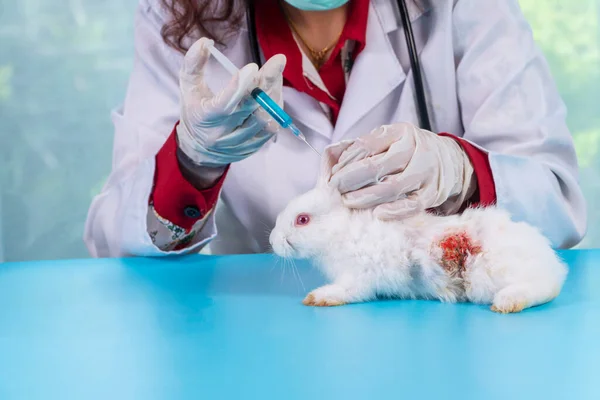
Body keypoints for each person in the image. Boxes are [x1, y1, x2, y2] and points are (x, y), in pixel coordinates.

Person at [84, 0, 587, 257]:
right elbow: (114, 237)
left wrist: (462, 173)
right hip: (261, 336)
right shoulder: (179, 18)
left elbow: (556, 202)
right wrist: (191, 163)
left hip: (443, 319)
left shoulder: (464, 7)